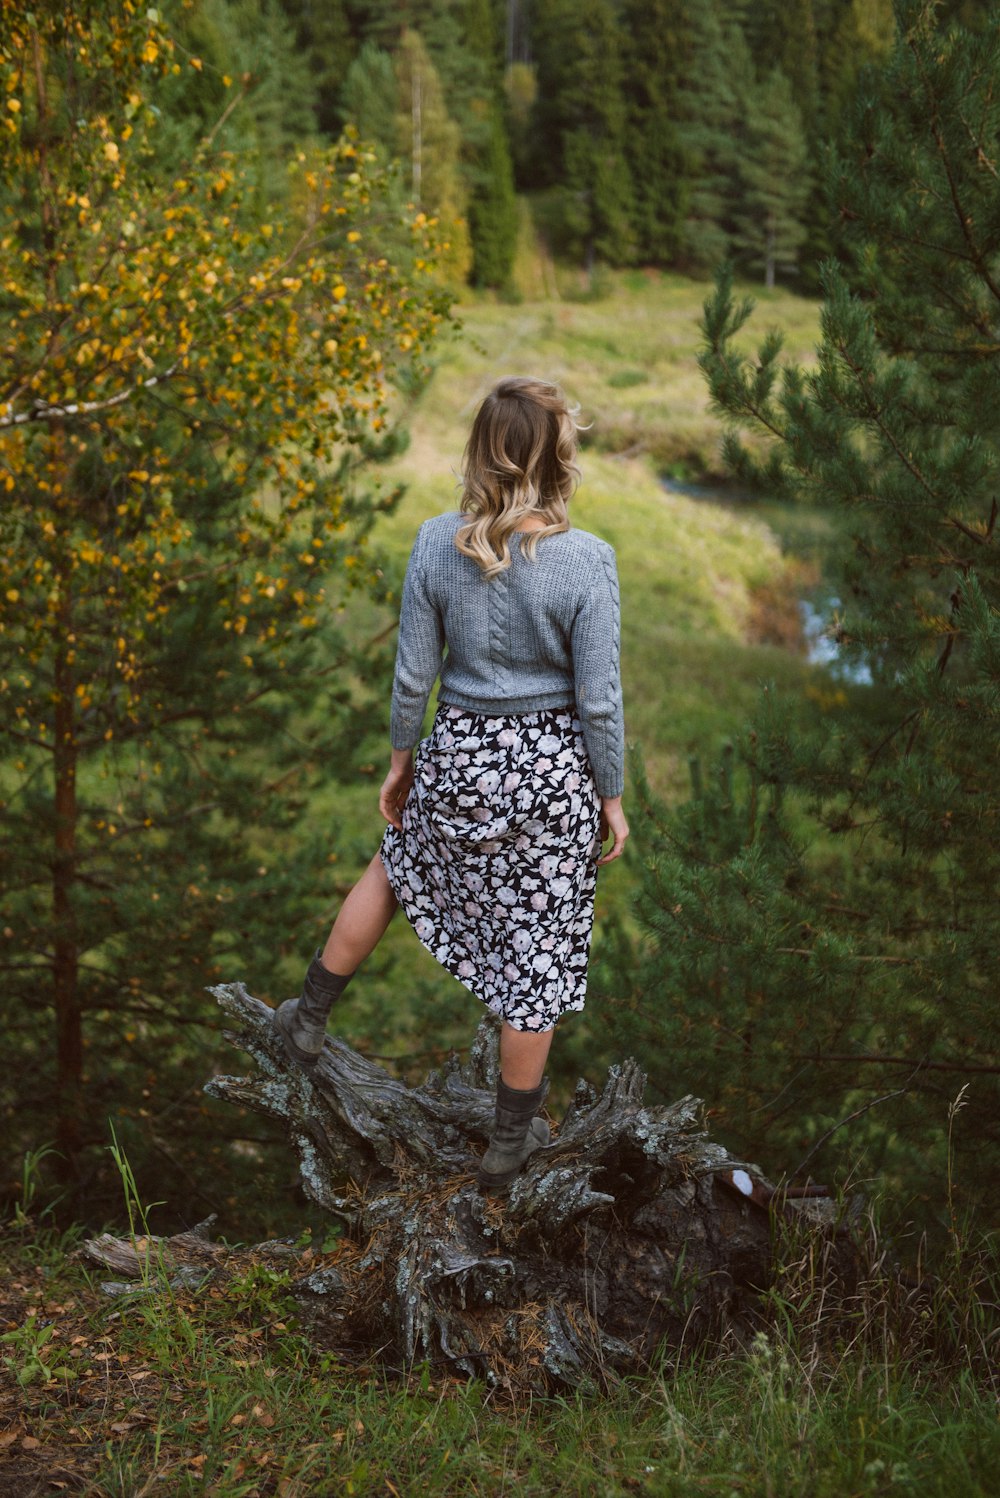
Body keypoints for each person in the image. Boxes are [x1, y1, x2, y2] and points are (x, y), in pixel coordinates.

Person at [273, 375, 628, 1191]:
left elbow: (412, 675)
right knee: (532, 956)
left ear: (481, 452)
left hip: (459, 754)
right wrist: (610, 793)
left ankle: (310, 1017)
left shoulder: (437, 541)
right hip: (550, 779)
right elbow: (599, 699)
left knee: (395, 868)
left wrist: (404, 759)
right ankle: (510, 1145)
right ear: (557, 457)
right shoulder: (589, 562)